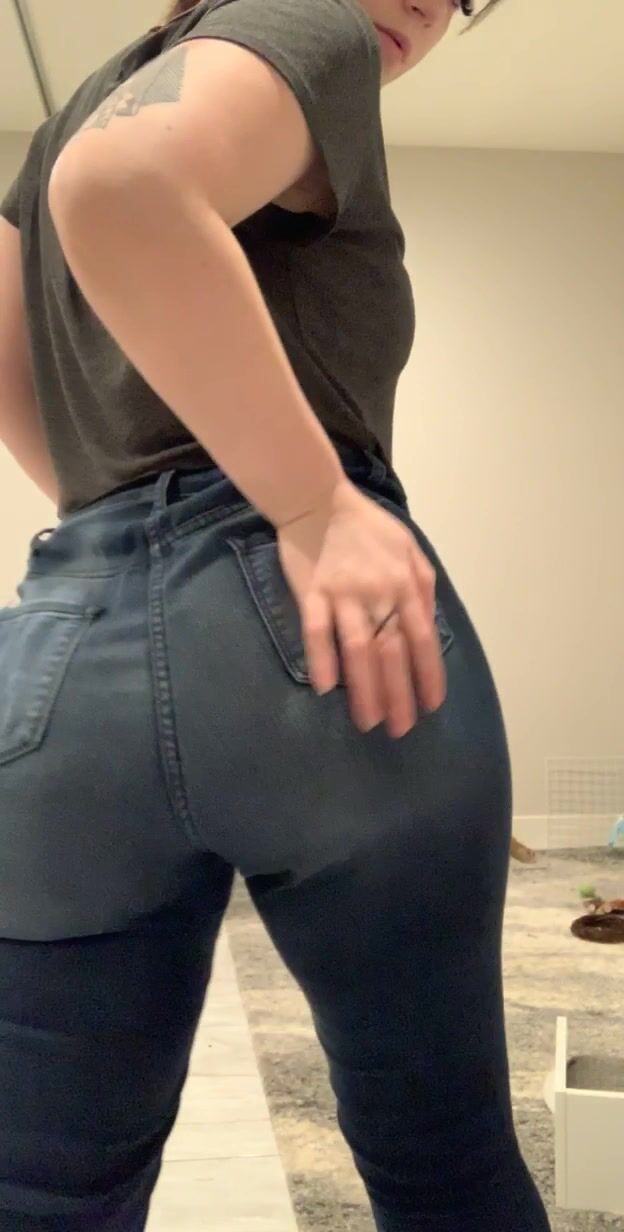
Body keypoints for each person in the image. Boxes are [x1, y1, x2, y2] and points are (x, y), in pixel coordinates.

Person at [0, 0, 550, 1227]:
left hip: (59, 649)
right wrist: (308, 503)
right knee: (441, 1158)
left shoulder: (63, 119)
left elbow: (4, 339)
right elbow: (127, 183)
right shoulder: (308, 25)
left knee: (40, 1185)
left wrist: (107, 521)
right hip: (308, 636)